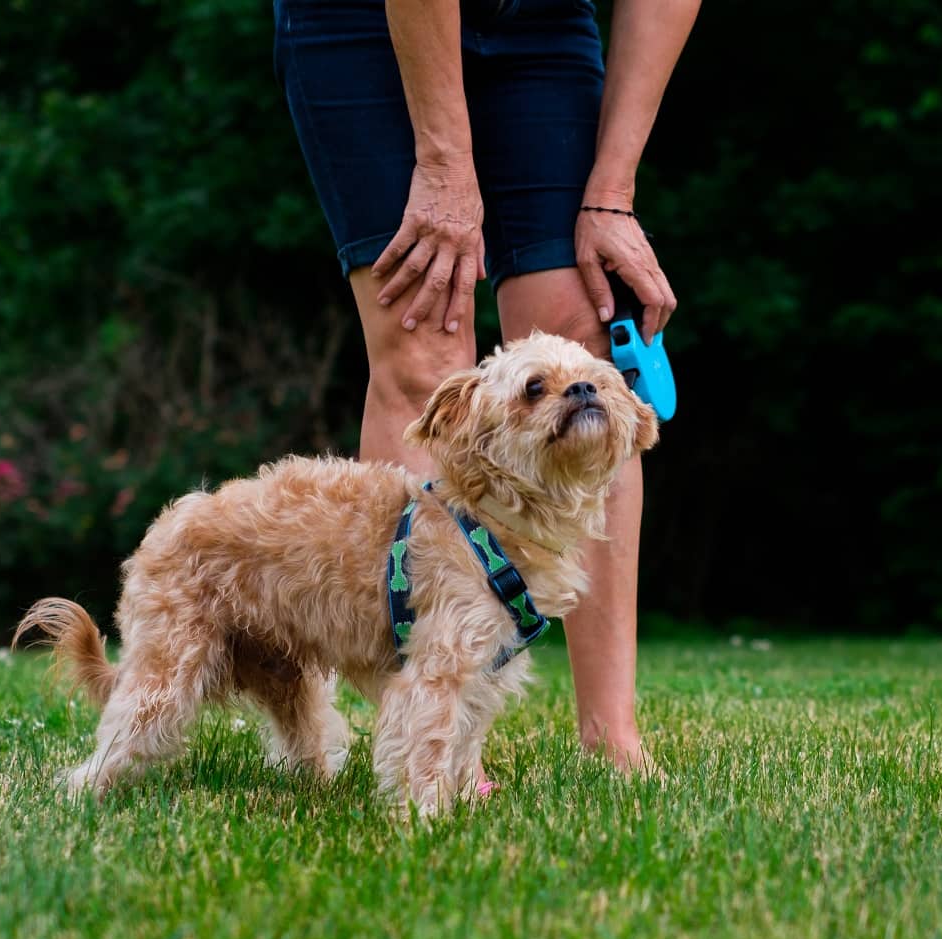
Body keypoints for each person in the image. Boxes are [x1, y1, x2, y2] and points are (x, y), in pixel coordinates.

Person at [272, 0, 698, 781]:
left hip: (543, 22)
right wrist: (441, 165)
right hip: (365, 22)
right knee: (425, 344)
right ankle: (431, 726)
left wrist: (613, 194)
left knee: (584, 338)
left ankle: (613, 735)